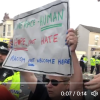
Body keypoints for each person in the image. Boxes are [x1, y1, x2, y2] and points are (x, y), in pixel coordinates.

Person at [21, 29, 84, 100]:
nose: (48, 85)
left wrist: (71, 52)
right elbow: (27, 75)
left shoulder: (71, 97)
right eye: (47, 81)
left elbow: (77, 87)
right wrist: (17, 49)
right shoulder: (42, 92)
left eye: (54, 82)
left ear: (67, 85)